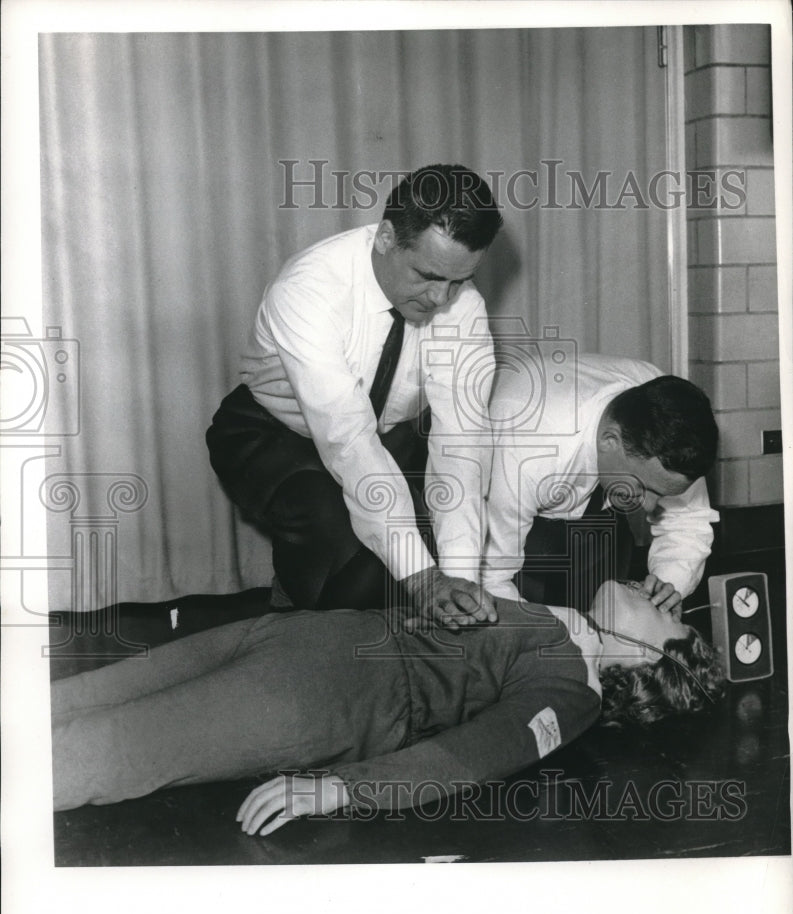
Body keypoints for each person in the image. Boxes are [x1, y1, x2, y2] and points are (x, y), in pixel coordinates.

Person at [51, 580, 723, 836]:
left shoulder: (572, 693)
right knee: (70, 703)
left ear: (643, 659)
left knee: (95, 755)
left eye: (666, 618)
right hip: (302, 634)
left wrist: (339, 790)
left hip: (318, 700)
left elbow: (471, 759)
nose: (655, 594)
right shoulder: (570, 623)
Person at [206, 164, 503, 628]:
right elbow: (348, 440)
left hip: (385, 432)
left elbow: (461, 443)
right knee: (341, 544)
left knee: (410, 552)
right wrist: (424, 581)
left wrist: (455, 583)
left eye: (458, 280)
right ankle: (292, 616)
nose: (441, 299)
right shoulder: (309, 289)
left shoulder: (463, 306)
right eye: (427, 275)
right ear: (386, 237)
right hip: (274, 431)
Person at [482, 353, 720, 620]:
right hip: (476, 479)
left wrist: (667, 586)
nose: (651, 507)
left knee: (605, 616)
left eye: (661, 494)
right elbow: (492, 579)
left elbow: (688, 522)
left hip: (582, 494)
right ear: (610, 440)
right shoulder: (530, 445)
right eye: (643, 488)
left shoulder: (667, 415)